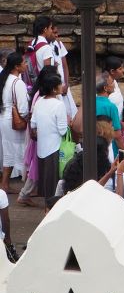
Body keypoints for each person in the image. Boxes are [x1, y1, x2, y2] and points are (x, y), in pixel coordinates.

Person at [31, 68, 76, 209]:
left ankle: (47, 206)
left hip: (42, 147)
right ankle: (51, 209)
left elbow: (33, 123)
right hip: (55, 148)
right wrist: (69, 124)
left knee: (46, 181)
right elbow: (62, 130)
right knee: (55, 182)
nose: (62, 86)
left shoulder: (39, 102)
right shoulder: (58, 105)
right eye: (60, 84)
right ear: (54, 88)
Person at [0, 50, 29, 191]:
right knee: (21, 151)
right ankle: (28, 188)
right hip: (14, 121)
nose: (26, 65)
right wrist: (28, 117)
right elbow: (23, 109)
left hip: (4, 118)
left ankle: (4, 183)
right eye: (24, 63)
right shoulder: (18, 83)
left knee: (8, 151)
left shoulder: (4, 79)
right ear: (17, 67)